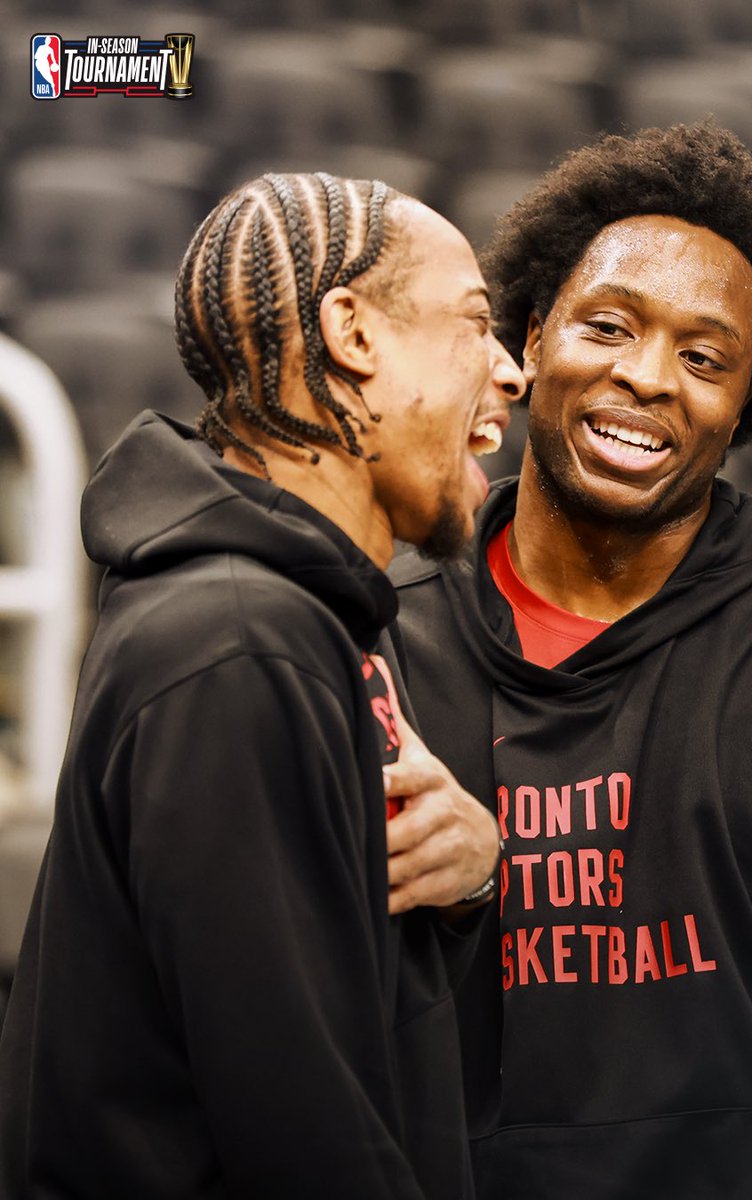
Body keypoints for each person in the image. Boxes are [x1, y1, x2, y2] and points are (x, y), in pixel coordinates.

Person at [388, 123, 752, 1199]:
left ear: (750, 401)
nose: (648, 376)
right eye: (608, 325)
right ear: (530, 334)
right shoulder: (367, 642)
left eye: (705, 358)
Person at [0, 171, 524, 1198]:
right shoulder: (239, 643)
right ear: (354, 334)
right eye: (473, 324)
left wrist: (470, 883)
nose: (510, 372)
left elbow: (361, 1017)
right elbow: (301, 1137)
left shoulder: (318, 616)